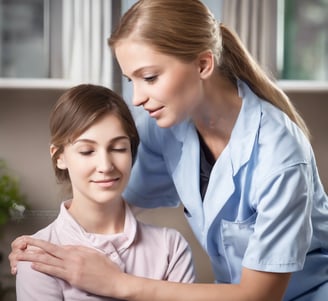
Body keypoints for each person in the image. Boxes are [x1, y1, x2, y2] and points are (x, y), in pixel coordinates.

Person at [9, 0, 328, 300]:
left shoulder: (279, 156)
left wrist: (117, 283)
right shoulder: (164, 125)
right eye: (131, 80)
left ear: (203, 64)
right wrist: (47, 246)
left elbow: (260, 294)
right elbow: (110, 197)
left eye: (149, 77)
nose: (136, 98)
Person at [14, 84, 195, 301]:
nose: (105, 165)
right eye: (87, 151)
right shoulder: (40, 258)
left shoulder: (171, 248)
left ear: (132, 152)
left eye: (118, 148)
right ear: (59, 156)